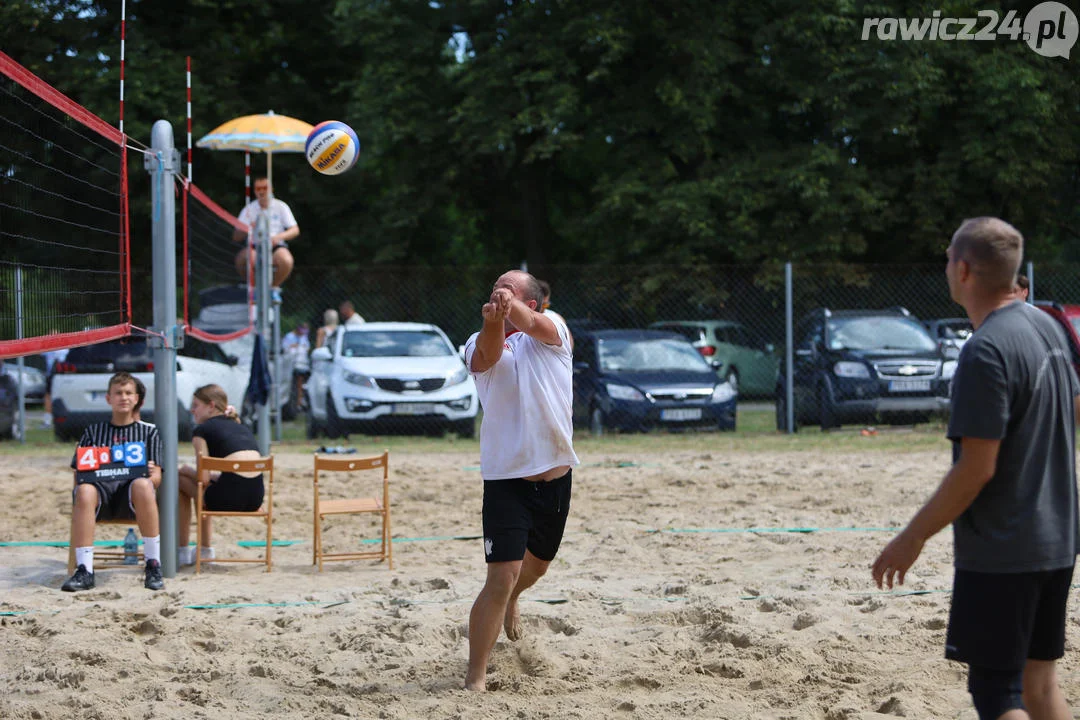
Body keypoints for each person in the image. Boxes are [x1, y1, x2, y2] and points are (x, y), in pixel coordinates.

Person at [872, 217, 1078, 720]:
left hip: (1005, 547)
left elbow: (976, 470)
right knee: (1039, 685)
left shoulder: (985, 350)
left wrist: (912, 537)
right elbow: (1073, 410)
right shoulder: (1047, 325)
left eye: (947, 258)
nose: (945, 266)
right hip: (1058, 538)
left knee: (996, 694)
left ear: (963, 270)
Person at [461, 269, 580, 691]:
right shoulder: (479, 339)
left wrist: (511, 311)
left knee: (537, 567)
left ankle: (514, 597)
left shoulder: (554, 331)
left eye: (507, 289)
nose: (496, 291)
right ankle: (475, 677)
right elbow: (486, 359)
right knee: (502, 574)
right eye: (494, 286)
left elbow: (535, 325)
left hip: (555, 477)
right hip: (506, 479)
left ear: (530, 303)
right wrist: (494, 321)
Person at [62, 372, 164, 592]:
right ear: (108, 398)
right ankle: (85, 570)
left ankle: (153, 565)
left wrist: (147, 477)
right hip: (100, 498)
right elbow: (78, 473)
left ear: (137, 398)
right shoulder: (93, 431)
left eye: (128, 393)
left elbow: (157, 477)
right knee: (84, 490)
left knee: (143, 484)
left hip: (134, 499)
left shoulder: (149, 432)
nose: (123, 397)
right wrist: (80, 491)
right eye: (118, 393)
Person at [176, 384, 263, 566]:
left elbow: (203, 478)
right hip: (255, 498)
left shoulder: (202, 431)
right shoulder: (241, 427)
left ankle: (182, 550)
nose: (192, 410)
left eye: (196, 405)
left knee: (181, 480)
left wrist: (186, 470)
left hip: (227, 499)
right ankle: (205, 550)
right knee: (207, 486)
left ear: (211, 406)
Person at [232, 176, 299, 288]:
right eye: (258, 189)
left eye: (264, 188)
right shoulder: (249, 209)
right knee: (245, 259)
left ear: (271, 189)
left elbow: (295, 230)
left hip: (275, 246)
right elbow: (236, 237)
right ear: (254, 191)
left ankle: (272, 288)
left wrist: (278, 237)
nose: (261, 192)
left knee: (286, 260)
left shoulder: (281, 206)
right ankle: (253, 289)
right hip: (255, 246)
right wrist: (246, 228)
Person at [537, 279, 573, 352]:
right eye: (542, 305)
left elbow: (569, 344)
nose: (544, 308)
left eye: (546, 304)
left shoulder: (556, 317)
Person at [283, 322, 311, 411]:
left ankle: (300, 402)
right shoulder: (289, 336)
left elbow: (307, 347)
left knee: (301, 383)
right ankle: (295, 402)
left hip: (302, 364)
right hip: (291, 364)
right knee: (294, 384)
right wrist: (294, 346)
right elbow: (285, 348)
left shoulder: (303, 337)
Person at [41, 344, 69, 429]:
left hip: (61, 374)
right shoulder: (49, 348)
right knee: (48, 397)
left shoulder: (65, 349)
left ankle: (61, 420)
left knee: (55, 397)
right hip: (53, 375)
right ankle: (47, 421)